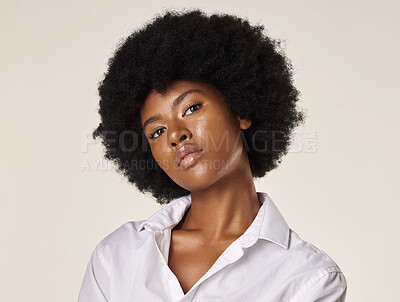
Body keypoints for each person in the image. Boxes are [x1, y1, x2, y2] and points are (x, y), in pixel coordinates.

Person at [78, 9, 347, 302]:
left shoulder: (309, 279)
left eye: (191, 108)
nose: (175, 135)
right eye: (156, 132)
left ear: (240, 109)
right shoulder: (117, 257)